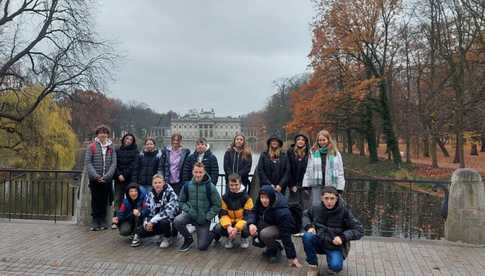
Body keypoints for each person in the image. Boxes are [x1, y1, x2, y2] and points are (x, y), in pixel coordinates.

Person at [302, 186, 364, 276]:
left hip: (334, 245)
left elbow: (359, 230)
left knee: (336, 266)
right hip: (319, 240)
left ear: (337, 198)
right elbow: (305, 215)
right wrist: (309, 226)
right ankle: (313, 266)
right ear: (321, 198)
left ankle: (332, 264)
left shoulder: (344, 211)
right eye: (326, 198)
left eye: (332, 198)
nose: (329, 202)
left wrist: (342, 237)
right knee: (307, 236)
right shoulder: (316, 208)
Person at [248, 185, 302, 268]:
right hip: (271, 221)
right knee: (248, 227)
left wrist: (292, 257)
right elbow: (254, 211)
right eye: (262, 197)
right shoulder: (260, 200)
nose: (264, 200)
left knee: (264, 234)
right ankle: (273, 246)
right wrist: (251, 224)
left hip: (284, 226)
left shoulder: (282, 211)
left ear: (271, 197)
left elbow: (286, 235)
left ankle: (275, 249)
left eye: (266, 198)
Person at [175, 162, 221, 252]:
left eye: (200, 172)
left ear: (204, 173)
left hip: (204, 218)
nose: (198, 174)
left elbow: (217, 204)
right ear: (192, 172)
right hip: (191, 215)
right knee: (177, 220)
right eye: (196, 172)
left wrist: (208, 217)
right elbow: (181, 201)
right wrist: (189, 210)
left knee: (202, 247)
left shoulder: (210, 187)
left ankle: (214, 232)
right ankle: (188, 239)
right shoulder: (187, 185)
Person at [84, 125, 117, 231]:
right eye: (101, 132)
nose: (103, 134)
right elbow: (88, 163)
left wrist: (107, 176)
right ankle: (95, 220)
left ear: (108, 134)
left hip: (106, 179)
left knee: (104, 200)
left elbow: (113, 163)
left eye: (105, 132)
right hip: (95, 179)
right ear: (97, 134)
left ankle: (102, 220)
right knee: (95, 199)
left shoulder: (111, 147)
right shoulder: (92, 146)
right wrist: (96, 176)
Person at [210, 173, 254, 249]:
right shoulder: (225, 197)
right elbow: (222, 214)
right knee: (218, 227)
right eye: (231, 185)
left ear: (240, 184)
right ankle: (229, 237)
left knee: (247, 225)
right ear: (228, 185)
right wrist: (228, 226)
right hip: (230, 221)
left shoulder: (247, 198)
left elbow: (248, 216)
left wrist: (236, 228)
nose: (234, 187)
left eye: (236, 185)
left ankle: (244, 238)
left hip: (241, 221)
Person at [302, 130, 345, 206]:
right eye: (319, 140)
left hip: (331, 185)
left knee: (329, 205)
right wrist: (305, 184)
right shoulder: (313, 152)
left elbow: (340, 171)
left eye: (324, 140)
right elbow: (308, 169)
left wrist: (340, 188)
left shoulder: (335, 153)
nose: (321, 142)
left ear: (328, 140)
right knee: (316, 205)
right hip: (317, 184)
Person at [137, 174, 179, 248]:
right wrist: (147, 222)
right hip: (155, 220)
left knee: (164, 222)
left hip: (170, 220)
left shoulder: (171, 193)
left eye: (159, 182)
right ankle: (160, 234)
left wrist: (152, 221)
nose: (157, 185)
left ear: (163, 183)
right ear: (152, 184)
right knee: (140, 232)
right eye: (155, 183)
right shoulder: (150, 194)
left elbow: (168, 212)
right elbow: (147, 209)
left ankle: (167, 238)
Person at [112, 133, 138, 229]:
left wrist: (124, 175)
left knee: (130, 200)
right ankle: (116, 220)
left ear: (133, 141)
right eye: (127, 138)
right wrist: (118, 175)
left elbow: (133, 165)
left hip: (129, 179)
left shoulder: (135, 152)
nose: (128, 140)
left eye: (130, 139)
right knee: (117, 200)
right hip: (118, 179)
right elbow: (114, 164)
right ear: (123, 139)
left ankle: (128, 220)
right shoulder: (117, 150)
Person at [287, 134, 311, 233]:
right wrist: (292, 184)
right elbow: (288, 169)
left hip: (305, 185)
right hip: (293, 186)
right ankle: (294, 228)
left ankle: (304, 228)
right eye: (298, 139)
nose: (300, 141)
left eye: (302, 139)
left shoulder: (309, 153)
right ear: (295, 141)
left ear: (305, 142)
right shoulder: (290, 152)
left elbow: (310, 169)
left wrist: (307, 184)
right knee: (292, 207)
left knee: (305, 208)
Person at [117, 183, 149, 247]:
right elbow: (120, 214)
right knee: (124, 231)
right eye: (131, 191)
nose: (133, 193)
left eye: (135, 191)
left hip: (142, 219)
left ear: (138, 192)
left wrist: (140, 213)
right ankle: (133, 233)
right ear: (128, 193)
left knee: (138, 214)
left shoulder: (143, 199)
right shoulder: (125, 201)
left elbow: (147, 210)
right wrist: (117, 219)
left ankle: (137, 235)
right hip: (129, 220)